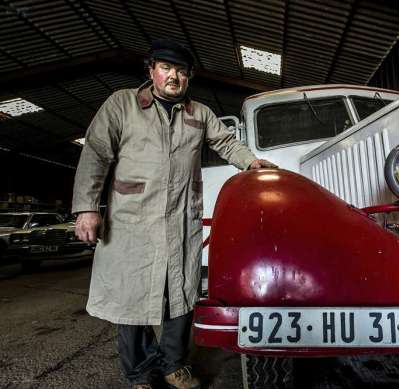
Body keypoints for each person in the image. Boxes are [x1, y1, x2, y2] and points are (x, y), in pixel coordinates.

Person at [72, 39, 277, 389]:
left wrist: (251, 161)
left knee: (179, 297)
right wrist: (87, 207)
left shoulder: (199, 113)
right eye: (166, 68)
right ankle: (138, 373)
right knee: (132, 299)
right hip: (131, 222)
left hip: (181, 219)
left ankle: (173, 365)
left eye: (181, 72)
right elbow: (96, 154)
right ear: (151, 70)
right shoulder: (123, 104)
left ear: (188, 78)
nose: (174, 77)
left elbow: (226, 142)